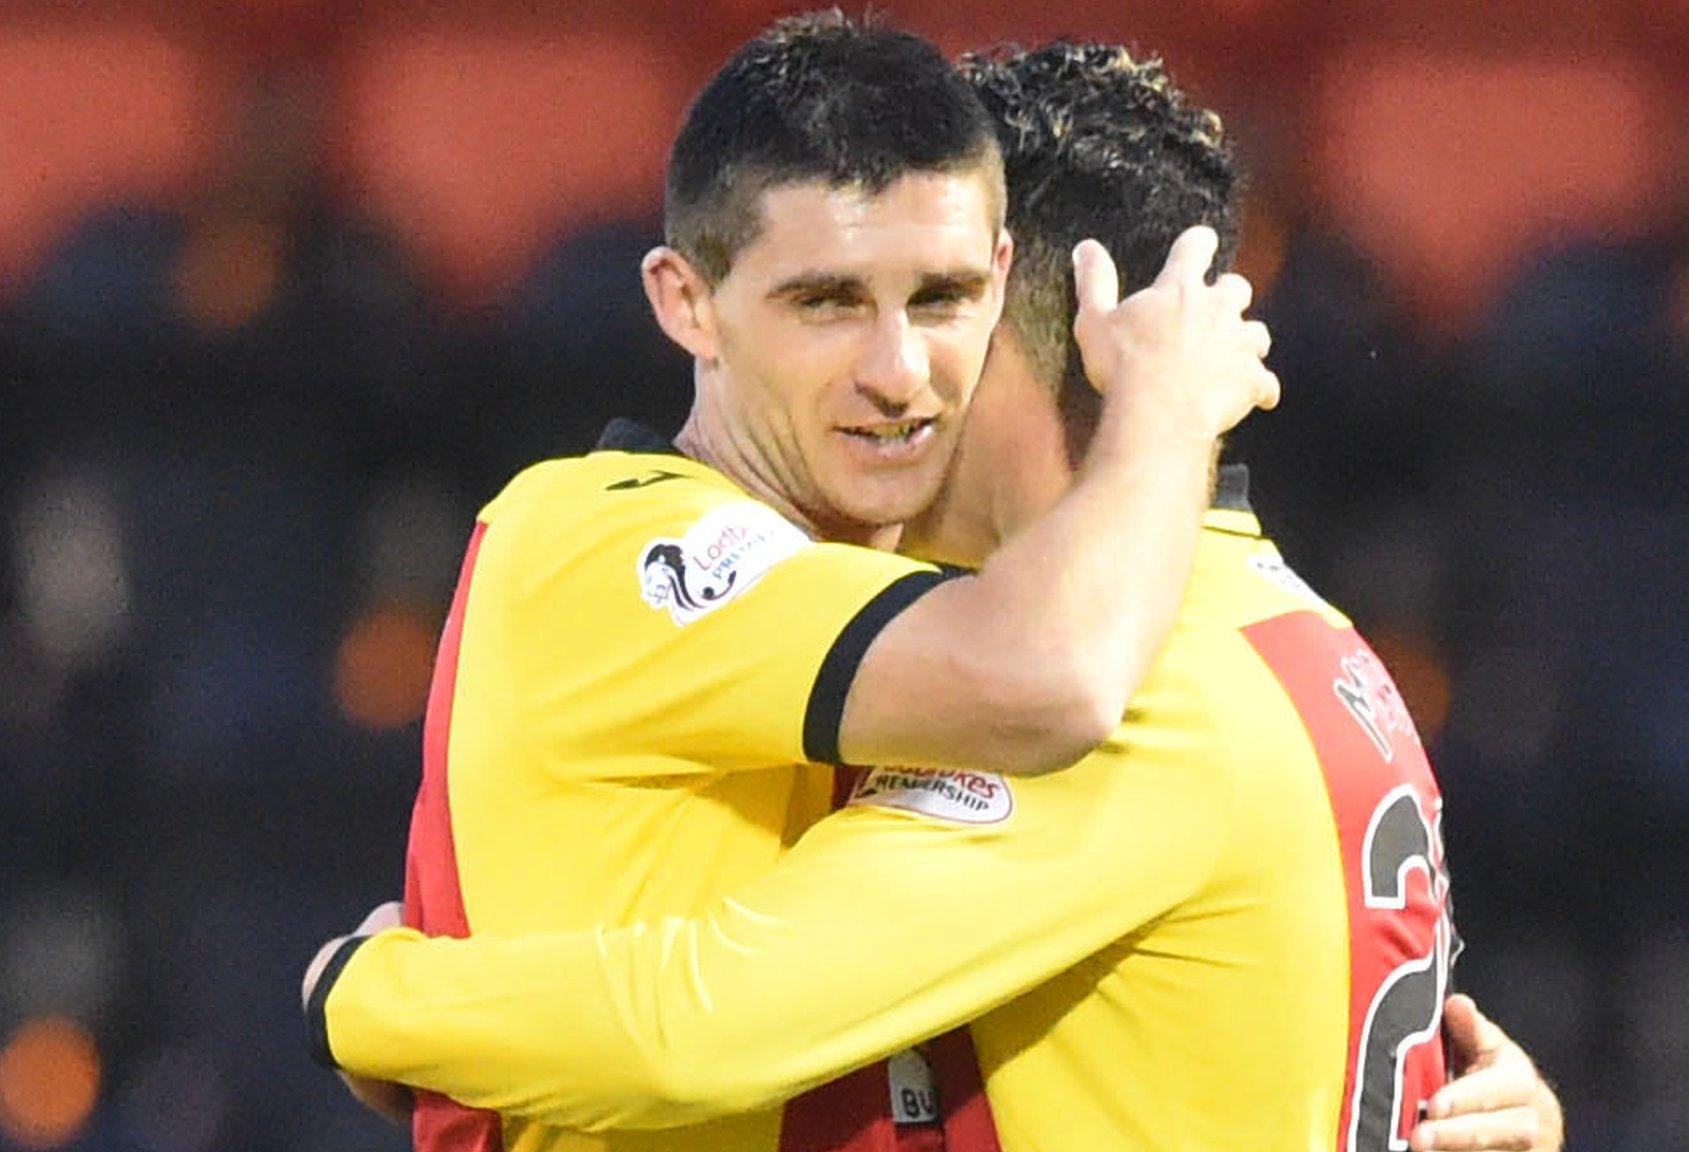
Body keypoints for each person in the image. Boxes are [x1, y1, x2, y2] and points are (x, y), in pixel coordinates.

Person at [305, 42, 1563, 1152]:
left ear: (1029, 313)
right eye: (827, 302)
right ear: (687, 302)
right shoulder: (1293, 637)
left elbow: (709, 1024)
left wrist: (369, 998)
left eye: (945, 300)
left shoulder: (1130, 679)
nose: (901, 379)